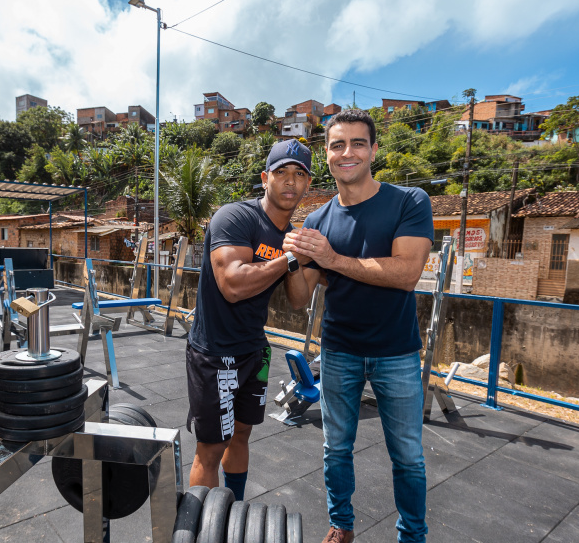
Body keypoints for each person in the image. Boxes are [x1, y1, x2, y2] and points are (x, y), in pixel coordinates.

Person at [283, 109, 433, 543]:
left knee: (408, 456)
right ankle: (341, 524)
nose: (347, 153)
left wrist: (332, 260)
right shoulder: (317, 220)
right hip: (339, 351)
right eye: (337, 145)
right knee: (335, 449)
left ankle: (413, 535)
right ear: (327, 155)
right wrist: (295, 258)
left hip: (397, 352)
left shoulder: (409, 201)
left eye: (357, 143)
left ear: (373, 150)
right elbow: (298, 299)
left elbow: (407, 273)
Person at [185, 138, 314, 500]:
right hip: (214, 353)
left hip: (253, 350)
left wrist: (298, 258)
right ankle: (203, 529)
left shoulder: (290, 236)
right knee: (211, 448)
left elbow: (299, 300)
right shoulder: (236, 217)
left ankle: (233, 511)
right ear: (265, 178)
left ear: (307, 185)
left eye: (299, 174)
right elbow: (232, 284)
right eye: (281, 172)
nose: (290, 181)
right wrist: (288, 260)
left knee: (241, 434)